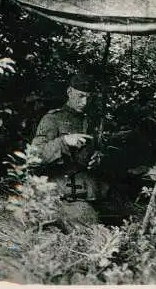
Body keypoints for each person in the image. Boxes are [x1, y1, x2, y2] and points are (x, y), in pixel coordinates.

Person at [30, 73, 109, 232]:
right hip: (57, 196)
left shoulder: (91, 121)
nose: (84, 102)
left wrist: (98, 158)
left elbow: (97, 151)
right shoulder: (53, 119)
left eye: (88, 97)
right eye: (80, 96)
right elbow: (34, 156)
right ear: (69, 92)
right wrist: (64, 141)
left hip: (85, 196)